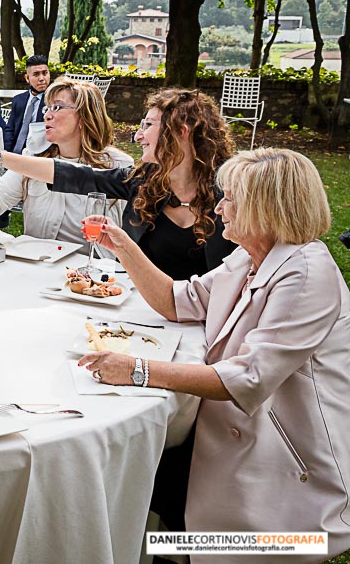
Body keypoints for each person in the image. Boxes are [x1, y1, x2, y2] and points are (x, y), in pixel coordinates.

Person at [79, 148, 350, 562]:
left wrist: (137, 370)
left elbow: (249, 378)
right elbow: (178, 300)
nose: (219, 208)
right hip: (228, 438)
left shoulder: (307, 273)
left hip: (289, 463)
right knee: (151, 492)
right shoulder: (249, 256)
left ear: (266, 208)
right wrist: (123, 247)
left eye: (230, 200)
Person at [0, 88, 236, 280]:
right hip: (136, 307)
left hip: (199, 319)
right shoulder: (143, 183)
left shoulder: (230, 197)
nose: (138, 135)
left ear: (180, 132)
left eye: (148, 125)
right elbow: (75, 175)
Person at [0, 78, 131, 244]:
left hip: (91, 272)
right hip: (39, 266)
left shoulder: (117, 165)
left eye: (57, 108)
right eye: (48, 108)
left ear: (84, 116)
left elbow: (130, 236)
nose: (47, 115)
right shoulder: (34, 158)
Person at [4, 55, 51, 156]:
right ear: (27, 78)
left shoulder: (53, 101)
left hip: (39, 155)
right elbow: (10, 129)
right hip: (15, 152)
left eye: (45, 73)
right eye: (36, 74)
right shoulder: (18, 100)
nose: (42, 78)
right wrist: (6, 153)